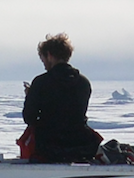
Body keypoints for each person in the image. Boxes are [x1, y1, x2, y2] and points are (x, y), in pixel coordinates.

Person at [20, 33, 101, 163]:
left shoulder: (41, 82)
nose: (44, 65)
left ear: (50, 55)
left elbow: (30, 118)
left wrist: (31, 96)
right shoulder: (83, 82)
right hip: (80, 144)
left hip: (49, 147)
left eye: (43, 60)